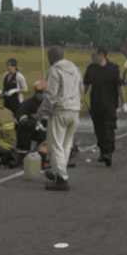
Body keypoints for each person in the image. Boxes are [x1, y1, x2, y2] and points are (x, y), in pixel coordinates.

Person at [37, 45, 82, 191]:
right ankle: (57, 172)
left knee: (55, 144)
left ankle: (61, 178)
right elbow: (80, 88)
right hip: (75, 111)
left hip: (60, 111)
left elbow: (50, 95)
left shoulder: (55, 70)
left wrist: (40, 112)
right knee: (66, 144)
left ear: (51, 57)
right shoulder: (75, 68)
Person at [83, 46, 125, 167]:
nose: (92, 57)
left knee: (109, 128)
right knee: (98, 130)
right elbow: (85, 85)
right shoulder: (91, 68)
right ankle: (103, 152)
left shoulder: (114, 68)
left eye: (94, 55)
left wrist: (125, 103)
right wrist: (79, 97)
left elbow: (119, 87)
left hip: (110, 105)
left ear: (102, 54)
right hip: (95, 105)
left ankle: (108, 153)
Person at [15, 81, 48, 152]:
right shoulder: (27, 103)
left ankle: (42, 155)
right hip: (32, 129)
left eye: (42, 92)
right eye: (38, 92)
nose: (39, 95)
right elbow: (20, 116)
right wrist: (33, 122)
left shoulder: (50, 104)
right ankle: (23, 153)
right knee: (22, 128)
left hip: (47, 130)